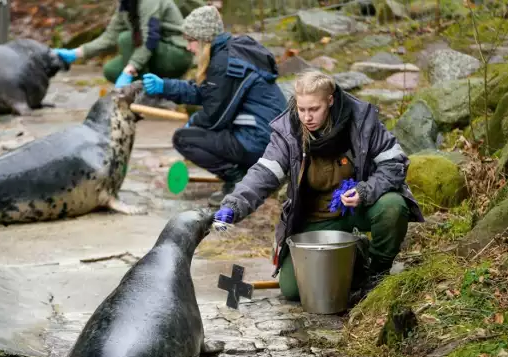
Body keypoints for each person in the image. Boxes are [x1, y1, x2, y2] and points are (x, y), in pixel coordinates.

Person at [213, 70, 425, 301]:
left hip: (358, 208)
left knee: (393, 205)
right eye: (301, 109)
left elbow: (395, 164)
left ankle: (377, 272)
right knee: (294, 290)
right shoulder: (289, 132)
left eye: (314, 109)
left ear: (330, 100)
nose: (307, 117)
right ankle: (357, 254)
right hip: (316, 219)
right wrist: (233, 206)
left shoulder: (361, 121)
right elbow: (263, 174)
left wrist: (365, 190)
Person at [140, 5, 287, 206]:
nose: (188, 47)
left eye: (190, 40)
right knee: (194, 133)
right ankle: (249, 174)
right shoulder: (227, 55)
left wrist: (194, 123)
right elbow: (204, 91)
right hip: (268, 138)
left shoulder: (225, 63)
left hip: (262, 142)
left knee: (184, 139)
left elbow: (215, 117)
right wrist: (164, 86)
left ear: (204, 39)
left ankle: (238, 181)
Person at [53, 0, 194, 88]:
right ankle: (148, 86)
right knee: (111, 70)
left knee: (126, 39)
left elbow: (150, 38)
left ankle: (146, 93)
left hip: (177, 54)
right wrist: (77, 52)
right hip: (156, 53)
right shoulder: (125, 5)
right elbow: (108, 37)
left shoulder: (149, 2)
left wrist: (130, 69)